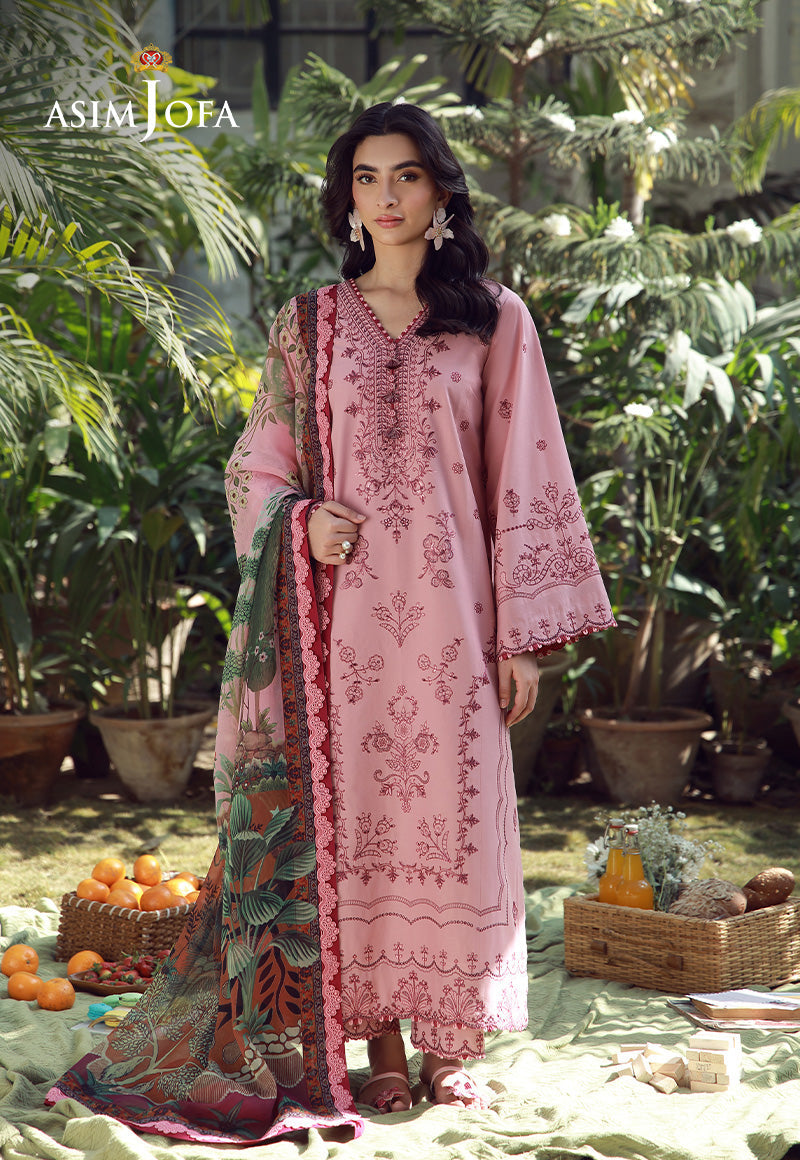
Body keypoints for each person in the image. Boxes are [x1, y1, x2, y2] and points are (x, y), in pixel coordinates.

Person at [47, 102, 615, 1144]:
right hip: (337, 635)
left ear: (441, 192)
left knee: (453, 824)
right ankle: (380, 1046)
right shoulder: (307, 324)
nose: (386, 197)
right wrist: (299, 522)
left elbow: (527, 476)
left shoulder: (495, 320)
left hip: (454, 624)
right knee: (356, 832)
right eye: (365, 178)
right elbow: (255, 465)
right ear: (347, 198)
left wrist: (524, 639)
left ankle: (450, 1045)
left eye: (406, 176)